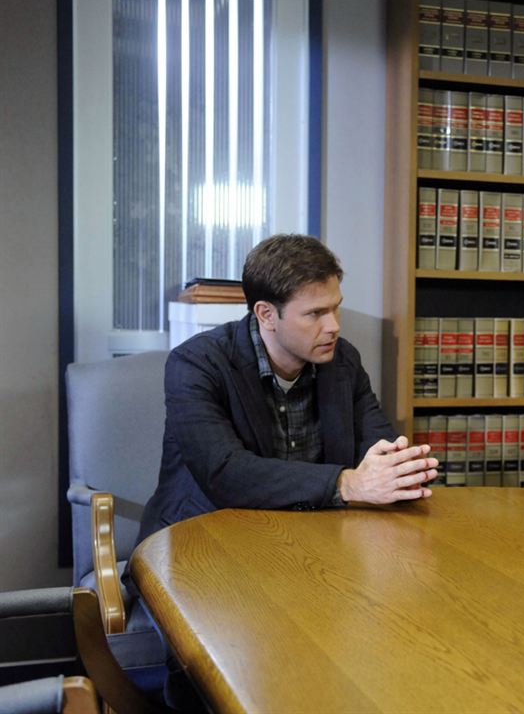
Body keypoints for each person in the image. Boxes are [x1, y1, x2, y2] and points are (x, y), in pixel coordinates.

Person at [134, 234, 439, 548]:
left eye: (336, 309)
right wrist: (347, 483)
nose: (334, 325)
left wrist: (402, 473)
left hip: (306, 540)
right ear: (266, 314)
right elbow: (225, 473)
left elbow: (377, 445)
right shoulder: (197, 364)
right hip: (203, 540)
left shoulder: (343, 360)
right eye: (315, 314)